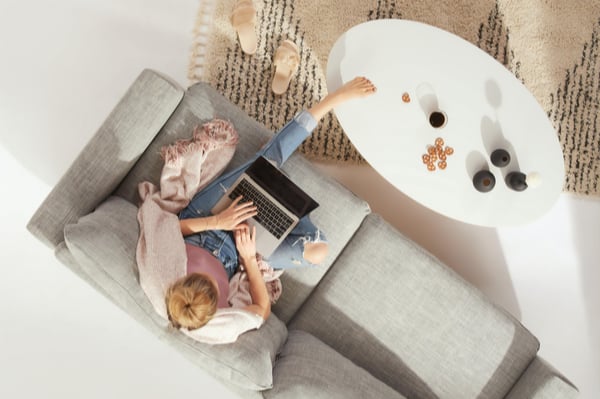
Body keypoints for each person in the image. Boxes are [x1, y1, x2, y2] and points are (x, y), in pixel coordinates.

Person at [165, 77, 377, 331]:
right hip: (241, 250)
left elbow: (169, 228)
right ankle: (275, 192)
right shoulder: (213, 320)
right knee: (318, 250)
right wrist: (248, 258)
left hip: (206, 218)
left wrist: (218, 221)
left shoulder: (166, 276)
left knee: (268, 160)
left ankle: (332, 100)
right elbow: (261, 311)